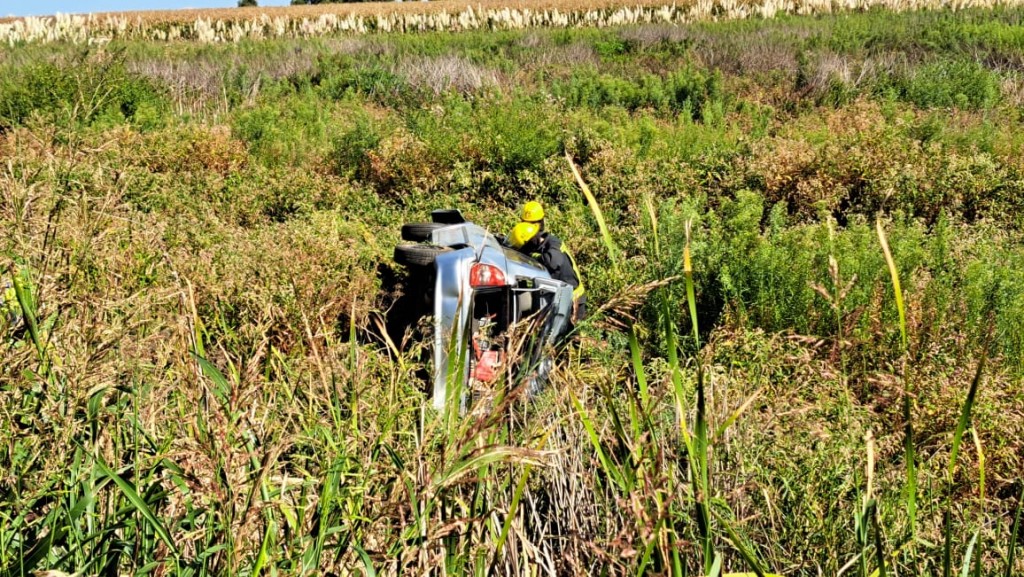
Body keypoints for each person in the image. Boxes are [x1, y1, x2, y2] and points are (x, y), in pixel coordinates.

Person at [508, 221, 587, 325]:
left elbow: (554, 262)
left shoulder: (553, 245)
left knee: (571, 336)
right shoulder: (544, 244)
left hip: (574, 299)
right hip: (560, 297)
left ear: (531, 241)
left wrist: (530, 258)